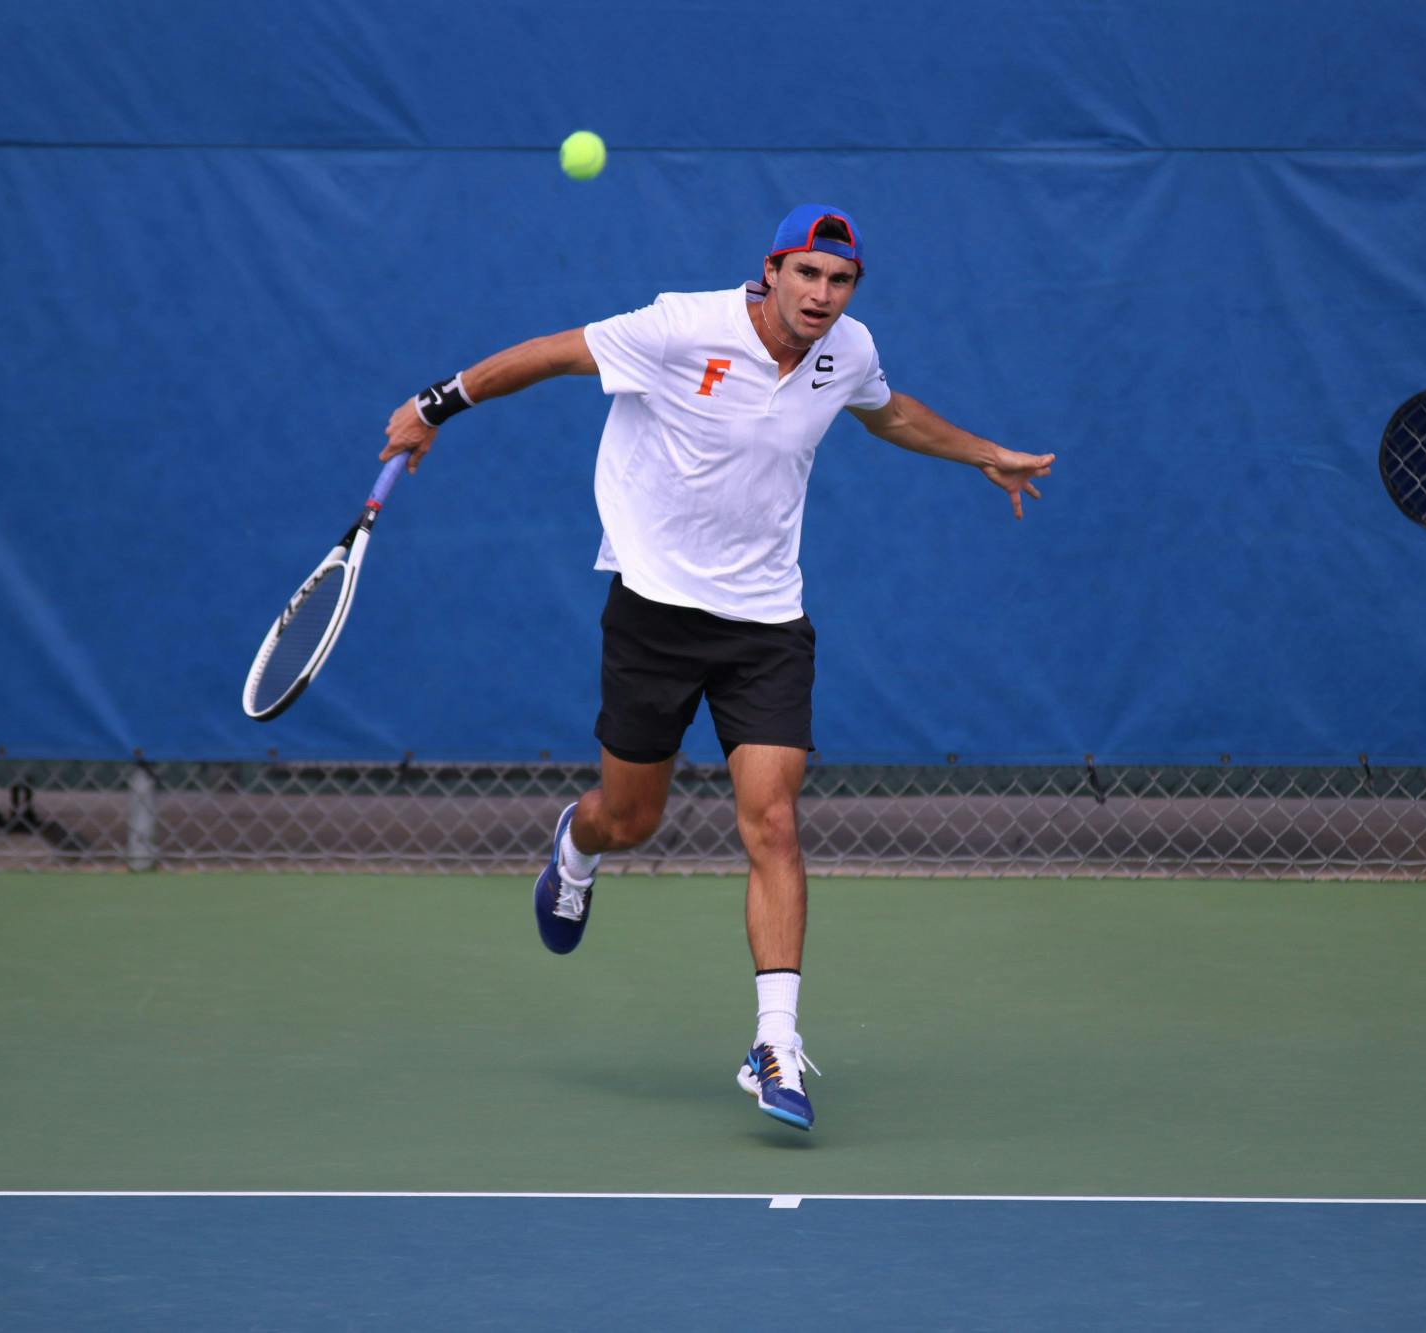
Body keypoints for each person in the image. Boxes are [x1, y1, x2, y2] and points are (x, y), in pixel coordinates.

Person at [381, 205, 1053, 1131]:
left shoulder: (847, 350)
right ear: (771, 270)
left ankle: (774, 1042)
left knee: (773, 820)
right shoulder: (678, 327)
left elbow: (887, 411)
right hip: (654, 611)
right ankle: (577, 846)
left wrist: (986, 454)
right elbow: (548, 354)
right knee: (633, 816)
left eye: (840, 280)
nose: (823, 295)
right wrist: (430, 407)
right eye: (808, 275)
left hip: (767, 621)